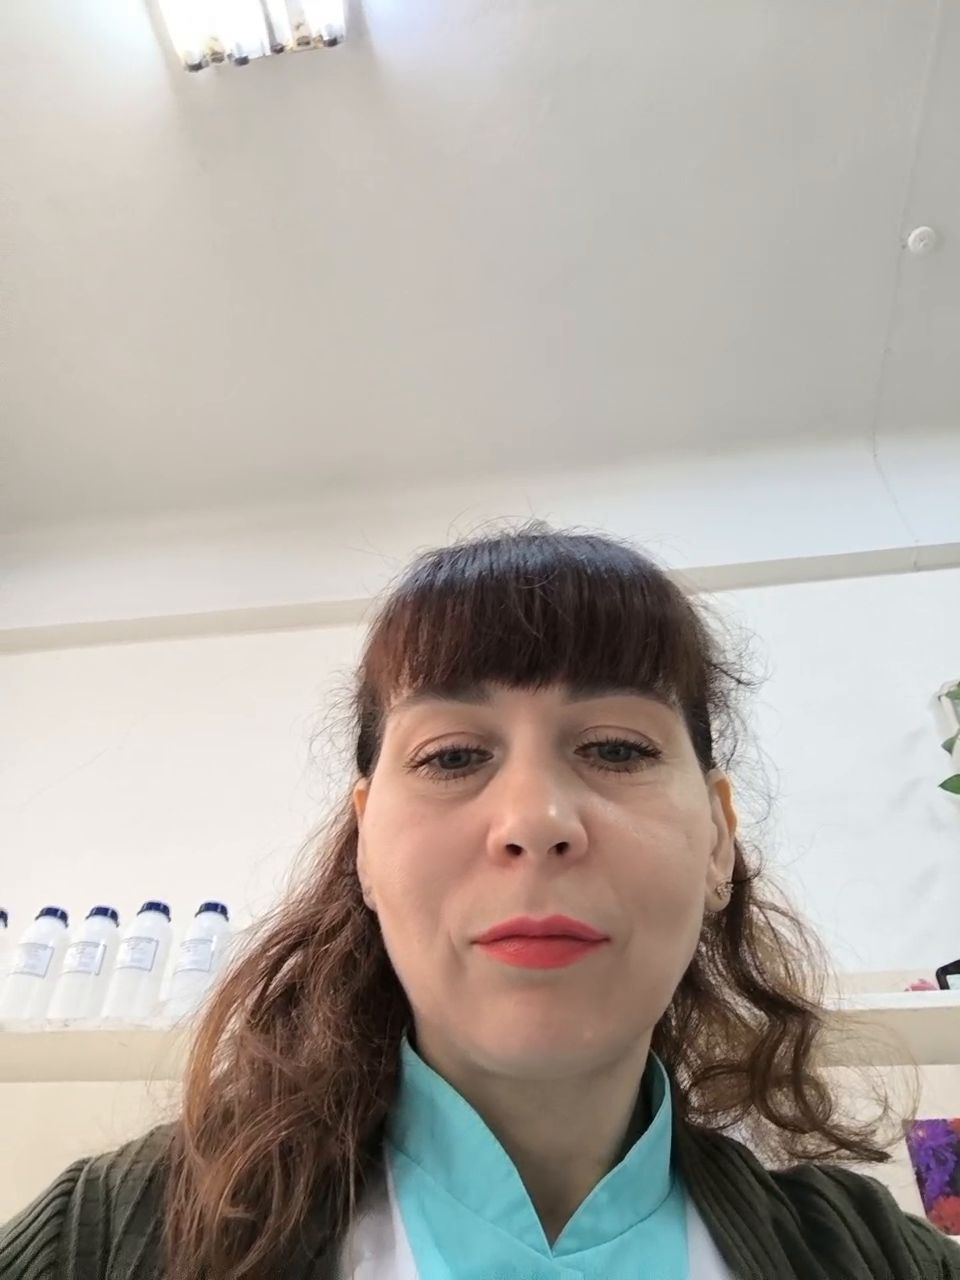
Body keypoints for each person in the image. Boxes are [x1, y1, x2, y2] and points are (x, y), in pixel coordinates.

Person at [2, 523, 958, 1280]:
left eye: (616, 748)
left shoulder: (878, 1261)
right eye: (453, 756)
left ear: (718, 836)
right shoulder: (110, 1235)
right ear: (365, 845)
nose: (534, 820)